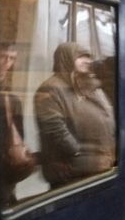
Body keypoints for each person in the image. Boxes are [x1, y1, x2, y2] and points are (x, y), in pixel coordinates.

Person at [35, 42, 116, 188]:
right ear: (66, 58)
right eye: (81, 57)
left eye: (88, 57)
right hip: (71, 173)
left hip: (98, 170)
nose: (87, 61)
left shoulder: (89, 85)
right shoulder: (51, 88)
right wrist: (77, 153)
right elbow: (54, 128)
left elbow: (107, 113)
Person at [0, 45, 36, 208]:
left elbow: (19, 138)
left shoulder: (12, 100)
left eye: (11, 59)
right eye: (2, 56)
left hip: (6, 177)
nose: (6, 64)